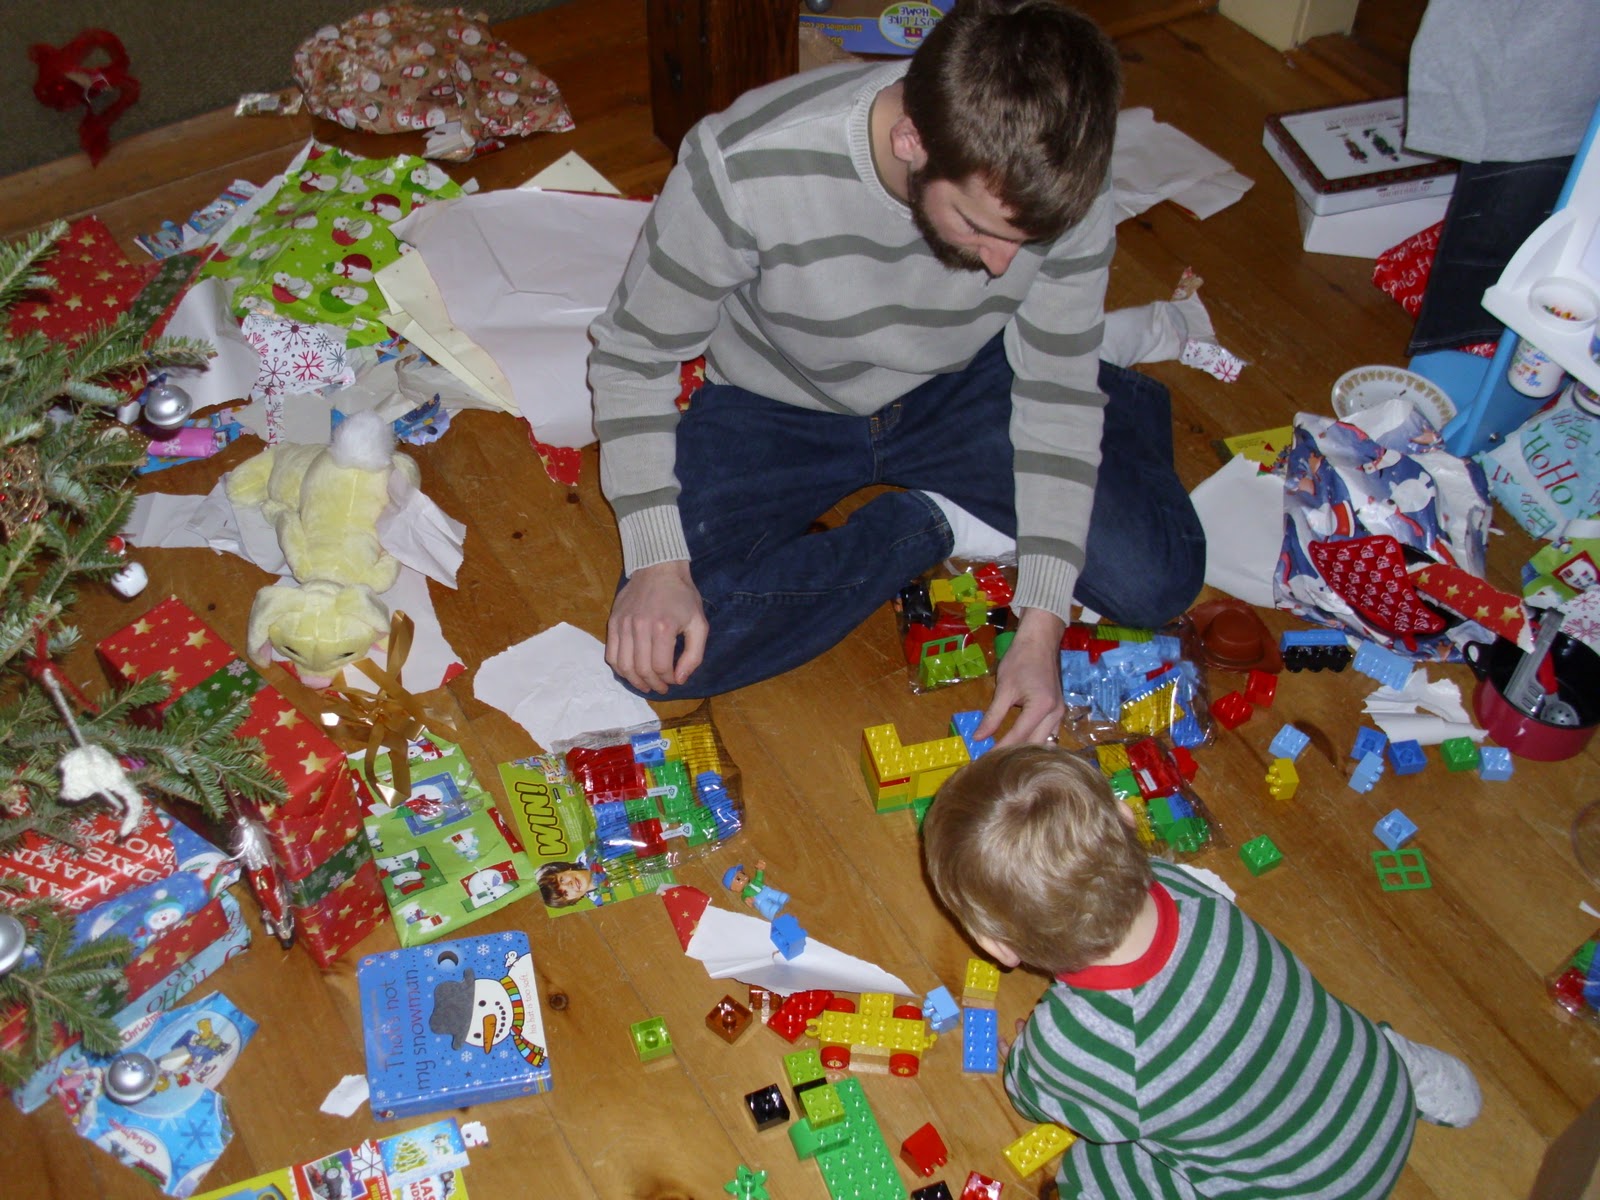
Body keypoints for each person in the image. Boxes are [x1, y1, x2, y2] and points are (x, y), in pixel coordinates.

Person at [588, 0, 1205, 747]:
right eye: (979, 227)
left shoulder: (1061, 174)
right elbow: (633, 356)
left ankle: (1103, 418)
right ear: (911, 138)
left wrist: (1041, 627)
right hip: (779, 400)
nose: (1004, 265)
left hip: (962, 383)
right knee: (664, 648)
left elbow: (1055, 391)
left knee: (1155, 582)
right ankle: (937, 519)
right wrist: (657, 559)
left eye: (1028, 240)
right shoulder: (743, 164)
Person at [921, 745, 1482, 1198]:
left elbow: (1031, 1095)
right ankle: (1404, 1067)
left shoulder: (1076, 1043)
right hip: (1374, 1084)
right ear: (1124, 817)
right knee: (1306, 1024)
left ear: (999, 947)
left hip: (1299, 1189)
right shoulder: (1188, 888)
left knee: (1096, 1175)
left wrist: (1028, 1058)